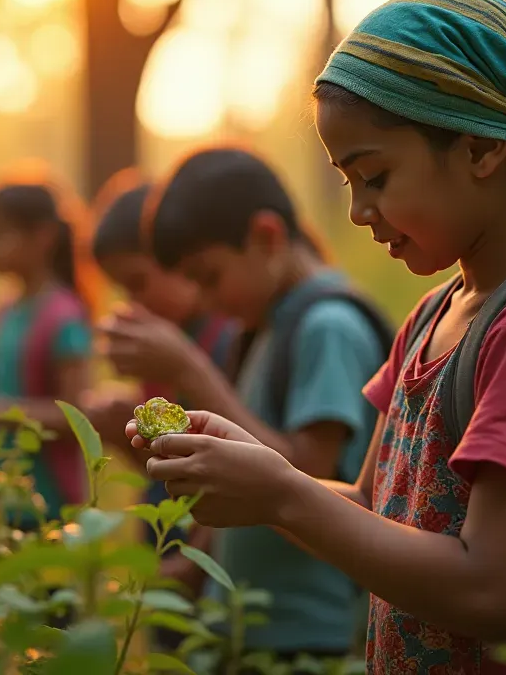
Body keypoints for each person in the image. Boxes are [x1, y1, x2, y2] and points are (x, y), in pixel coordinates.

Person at [130, 0, 506, 674]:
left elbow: (491, 589)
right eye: (347, 183)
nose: (360, 211)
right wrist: (257, 471)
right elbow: (371, 505)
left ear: (481, 147)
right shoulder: (432, 319)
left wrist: (282, 494)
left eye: (376, 175)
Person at [130, 147, 390, 669]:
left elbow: (306, 475)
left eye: (208, 276)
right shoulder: (266, 328)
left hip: (306, 634)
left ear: (266, 238)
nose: (202, 301)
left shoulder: (327, 327)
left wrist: (193, 373)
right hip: (251, 628)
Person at [84, 169, 237, 649]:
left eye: (139, 282)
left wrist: (195, 560)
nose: (132, 302)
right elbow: (169, 462)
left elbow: (239, 462)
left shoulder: (223, 342)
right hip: (164, 539)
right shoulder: (167, 345)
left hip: (208, 559)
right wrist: (119, 430)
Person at [0, 174, 97, 530]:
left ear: (43, 237)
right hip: (5, 493)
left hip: (51, 502)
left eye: (0, 234)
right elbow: (5, 388)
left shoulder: (64, 316)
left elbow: (75, 417)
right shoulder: (4, 311)